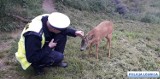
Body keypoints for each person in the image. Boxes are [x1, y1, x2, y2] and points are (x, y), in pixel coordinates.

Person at [15, 12, 84, 75]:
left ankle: (56, 61)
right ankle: (37, 66)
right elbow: (31, 58)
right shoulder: (34, 36)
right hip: (30, 56)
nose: (64, 30)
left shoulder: (49, 19)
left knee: (62, 35)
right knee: (59, 56)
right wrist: (49, 47)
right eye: (62, 29)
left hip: (39, 45)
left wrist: (74, 32)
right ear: (53, 29)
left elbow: (62, 30)